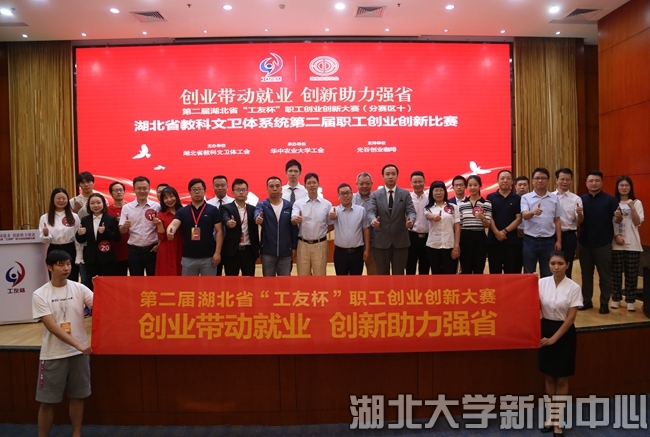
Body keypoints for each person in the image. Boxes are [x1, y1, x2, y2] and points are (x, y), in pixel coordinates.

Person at [32, 250, 93, 437]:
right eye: (60, 264)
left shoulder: (80, 288)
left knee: (78, 397)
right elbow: (52, 327)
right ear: (49, 267)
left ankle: (77, 433)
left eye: (68, 264)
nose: (66, 268)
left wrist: (102, 286)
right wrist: (78, 345)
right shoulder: (40, 294)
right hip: (54, 354)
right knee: (46, 402)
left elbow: (101, 306)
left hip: (79, 355)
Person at [538, 251, 582, 436]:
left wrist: (554, 339)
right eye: (553, 263)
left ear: (567, 265)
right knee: (549, 377)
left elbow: (571, 318)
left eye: (560, 263)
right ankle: (551, 416)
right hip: (545, 330)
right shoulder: (541, 283)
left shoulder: (574, 287)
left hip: (564, 334)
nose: (556, 267)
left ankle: (558, 419)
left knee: (562, 379)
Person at [579, 170, 621, 314]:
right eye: (591, 181)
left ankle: (604, 303)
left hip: (603, 244)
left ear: (602, 183)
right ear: (586, 183)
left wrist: (618, 216)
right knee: (586, 274)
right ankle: (587, 300)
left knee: (605, 275)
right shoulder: (581, 200)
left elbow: (617, 220)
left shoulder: (610, 200)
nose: (594, 183)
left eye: (597, 181)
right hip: (584, 243)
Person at [166, 179, 223, 276]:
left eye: (199, 189)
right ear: (189, 192)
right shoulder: (182, 211)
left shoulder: (213, 210)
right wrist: (170, 231)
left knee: (209, 285)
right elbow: (174, 224)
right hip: (188, 257)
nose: (197, 192)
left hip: (208, 257)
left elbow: (219, 231)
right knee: (188, 285)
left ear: (204, 191)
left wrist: (217, 253)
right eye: (194, 189)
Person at [367, 164, 416, 275]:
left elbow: (411, 211)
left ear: (397, 176)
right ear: (383, 176)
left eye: (393, 174)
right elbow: (370, 212)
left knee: (398, 275)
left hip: (400, 241)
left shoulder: (405, 194)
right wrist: (373, 220)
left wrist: (411, 220)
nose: (390, 176)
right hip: (381, 241)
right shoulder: (375, 195)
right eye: (387, 174)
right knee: (382, 274)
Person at [520, 168, 562, 277]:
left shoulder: (554, 198)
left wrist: (558, 241)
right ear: (532, 181)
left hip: (548, 241)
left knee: (548, 274)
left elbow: (557, 220)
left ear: (548, 180)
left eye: (543, 178)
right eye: (537, 178)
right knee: (529, 273)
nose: (540, 180)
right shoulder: (526, 198)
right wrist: (533, 212)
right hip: (530, 241)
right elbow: (524, 215)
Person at [611, 175, 644, 311]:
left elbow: (637, 222)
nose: (624, 188)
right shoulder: (612, 202)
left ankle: (630, 300)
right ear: (617, 187)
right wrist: (616, 236)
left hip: (633, 243)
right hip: (615, 242)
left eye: (626, 185)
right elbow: (609, 222)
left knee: (631, 273)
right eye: (621, 185)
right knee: (616, 273)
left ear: (630, 187)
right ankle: (616, 298)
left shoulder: (637, 202)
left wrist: (632, 207)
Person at [255, 176, 298, 276]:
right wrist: (257, 218)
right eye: (271, 186)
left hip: (286, 252)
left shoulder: (289, 206)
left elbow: (293, 229)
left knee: (285, 283)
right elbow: (257, 214)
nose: (275, 189)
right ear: (267, 189)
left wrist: (294, 247)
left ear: (281, 188)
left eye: (277, 186)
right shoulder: (262, 205)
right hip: (267, 253)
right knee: (268, 283)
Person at [75, 193, 120, 287]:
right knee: (93, 285)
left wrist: (106, 231)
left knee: (108, 285)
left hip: (107, 259)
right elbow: (81, 240)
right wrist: (79, 233)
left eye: (98, 203)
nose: (95, 205)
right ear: (88, 205)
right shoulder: (85, 220)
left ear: (103, 204)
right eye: (92, 203)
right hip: (90, 259)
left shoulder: (110, 219)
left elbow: (117, 238)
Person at [118, 176, 161, 276]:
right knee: (136, 280)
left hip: (152, 250)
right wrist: (125, 226)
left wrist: (158, 245)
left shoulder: (156, 206)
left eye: (145, 188)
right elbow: (122, 231)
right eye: (139, 188)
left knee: (154, 280)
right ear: (134, 189)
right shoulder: (127, 208)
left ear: (149, 189)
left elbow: (160, 228)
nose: (142, 191)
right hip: (134, 251)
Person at [291, 172, 332, 276]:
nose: (312, 185)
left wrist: (321, 232)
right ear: (305, 186)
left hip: (320, 245)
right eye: (309, 183)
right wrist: (295, 219)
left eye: (314, 182)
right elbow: (293, 219)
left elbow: (331, 224)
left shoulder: (327, 204)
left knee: (320, 277)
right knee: (303, 277)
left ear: (318, 184)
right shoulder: (298, 203)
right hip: (303, 244)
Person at [39, 188, 83, 282]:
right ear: (53, 200)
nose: (61, 201)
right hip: (53, 249)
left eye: (64, 198)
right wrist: (46, 234)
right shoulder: (45, 217)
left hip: (70, 249)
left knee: (72, 279)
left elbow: (78, 239)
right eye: (58, 198)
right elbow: (43, 240)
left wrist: (79, 256)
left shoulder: (74, 216)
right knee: (55, 279)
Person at [220, 178, 260, 276]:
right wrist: (229, 222)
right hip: (232, 251)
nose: (241, 192)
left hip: (249, 251)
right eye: (238, 190)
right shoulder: (226, 207)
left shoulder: (253, 209)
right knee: (231, 281)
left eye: (243, 190)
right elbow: (224, 217)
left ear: (247, 192)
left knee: (249, 280)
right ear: (232, 192)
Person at [330, 183, 370, 275]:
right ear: (338, 196)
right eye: (342, 193)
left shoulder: (361, 210)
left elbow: (366, 229)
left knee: (356, 281)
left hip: (357, 253)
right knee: (341, 281)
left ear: (352, 194)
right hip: (340, 253)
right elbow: (329, 221)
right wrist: (331, 216)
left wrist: (367, 249)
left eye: (347, 193)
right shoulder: (334, 211)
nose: (345, 196)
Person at [486, 170, 522, 274]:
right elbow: (489, 217)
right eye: (502, 178)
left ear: (512, 182)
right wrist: (497, 232)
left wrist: (504, 231)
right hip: (494, 241)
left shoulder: (517, 198)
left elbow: (518, 218)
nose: (505, 181)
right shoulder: (490, 197)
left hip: (511, 242)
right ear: (497, 181)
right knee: (495, 273)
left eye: (508, 178)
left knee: (511, 273)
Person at [553, 168, 583, 278]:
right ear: (557, 180)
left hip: (569, 235)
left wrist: (580, 214)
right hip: (552, 236)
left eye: (568, 179)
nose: (565, 182)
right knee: (551, 265)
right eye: (562, 179)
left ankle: (566, 287)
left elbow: (579, 221)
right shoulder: (550, 197)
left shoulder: (576, 199)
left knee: (567, 265)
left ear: (571, 181)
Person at [458, 175, 492, 274]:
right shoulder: (462, 204)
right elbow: (460, 225)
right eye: (470, 185)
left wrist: (482, 218)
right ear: (467, 187)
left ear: (480, 186)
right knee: (466, 270)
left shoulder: (486, 203)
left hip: (479, 238)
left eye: (475, 185)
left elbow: (487, 225)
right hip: (465, 237)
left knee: (478, 269)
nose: (472, 187)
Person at [424, 180, 460, 274]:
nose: (439, 193)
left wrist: (456, 247)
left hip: (449, 246)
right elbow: (428, 215)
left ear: (445, 192)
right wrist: (434, 217)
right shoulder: (428, 208)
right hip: (433, 246)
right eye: (436, 190)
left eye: (441, 190)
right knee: (436, 275)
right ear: (431, 193)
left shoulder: (453, 207)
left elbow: (457, 228)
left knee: (450, 274)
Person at [153, 186, 183, 276]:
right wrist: (159, 224)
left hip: (182, 247)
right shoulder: (160, 215)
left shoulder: (184, 212)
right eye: (165, 198)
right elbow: (162, 238)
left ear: (176, 197)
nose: (169, 200)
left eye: (171, 196)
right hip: (167, 250)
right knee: (166, 275)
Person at [207, 175, 233, 275]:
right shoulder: (208, 204)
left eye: (223, 185)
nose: (220, 188)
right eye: (217, 185)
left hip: (230, 244)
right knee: (215, 275)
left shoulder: (234, 203)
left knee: (231, 275)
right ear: (213, 187)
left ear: (227, 187)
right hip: (213, 244)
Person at [406, 171, 431, 275]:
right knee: (410, 268)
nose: (418, 184)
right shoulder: (407, 199)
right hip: (411, 237)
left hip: (427, 238)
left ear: (424, 182)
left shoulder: (430, 199)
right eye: (415, 182)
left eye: (420, 181)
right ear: (411, 183)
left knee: (425, 269)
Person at [353, 171, 377, 275]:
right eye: (361, 183)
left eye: (367, 183)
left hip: (373, 243)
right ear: (356, 184)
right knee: (354, 275)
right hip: (355, 243)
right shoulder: (351, 199)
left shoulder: (377, 198)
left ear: (372, 184)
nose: (364, 186)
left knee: (373, 274)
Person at [107, 182, 129, 276]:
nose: (119, 192)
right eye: (116, 190)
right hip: (116, 250)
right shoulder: (107, 210)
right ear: (111, 194)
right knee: (120, 277)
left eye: (121, 190)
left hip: (132, 249)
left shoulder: (131, 208)